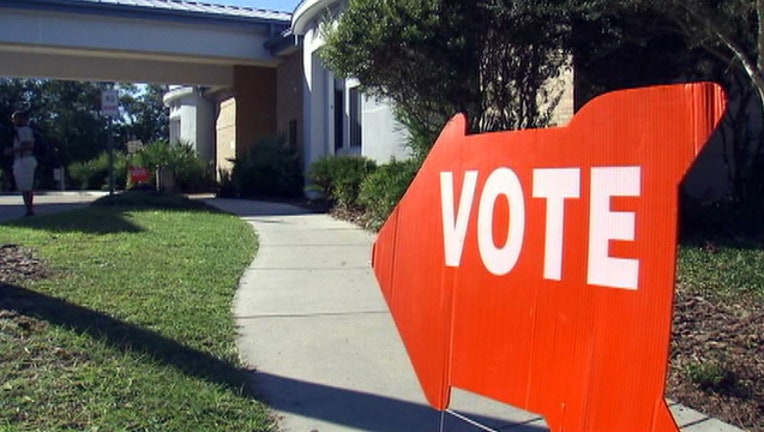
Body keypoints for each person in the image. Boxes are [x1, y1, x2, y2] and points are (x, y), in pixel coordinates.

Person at [3, 111, 37, 216]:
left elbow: (28, 146)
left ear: (21, 119)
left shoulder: (25, 130)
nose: (13, 121)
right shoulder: (18, 131)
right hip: (20, 160)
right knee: (23, 186)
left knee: (27, 186)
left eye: (15, 119)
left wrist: (11, 150)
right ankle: (28, 208)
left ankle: (29, 209)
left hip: (25, 159)